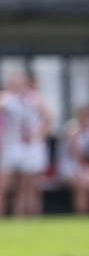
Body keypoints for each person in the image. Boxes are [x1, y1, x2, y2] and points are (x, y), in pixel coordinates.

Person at [0, 69, 52, 217]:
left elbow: (48, 119)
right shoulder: (5, 98)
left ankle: (19, 217)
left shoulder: (34, 98)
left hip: (29, 147)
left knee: (26, 186)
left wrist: (37, 134)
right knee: (3, 185)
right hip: (10, 146)